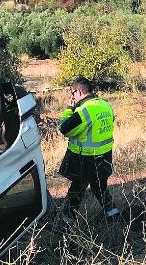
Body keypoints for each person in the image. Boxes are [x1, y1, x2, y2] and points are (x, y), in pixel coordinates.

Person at [58, 77, 120, 221]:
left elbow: (64, 129)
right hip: (104, 156)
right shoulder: (105, 105)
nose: (72, 97)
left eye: (72, 93)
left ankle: (65, 223)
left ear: (79, 92)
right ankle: (114, 216)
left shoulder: (84, 111)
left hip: (86, 159)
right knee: (100, 189)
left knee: (76, 191)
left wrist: (68, 110)